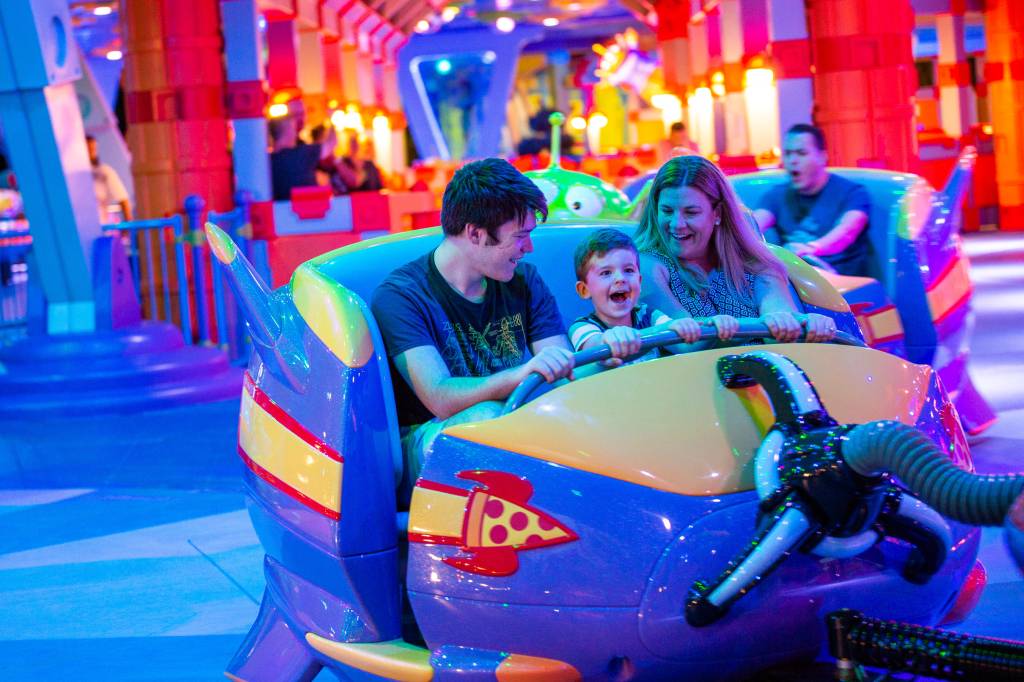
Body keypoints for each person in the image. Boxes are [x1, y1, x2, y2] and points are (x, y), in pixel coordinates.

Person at [372, 158, 634, 495]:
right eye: (520, 236)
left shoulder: (524, 279)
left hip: (515, 420)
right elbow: (439, 397)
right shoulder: (401, 296)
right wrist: (522, 374)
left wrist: (611, 358)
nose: (529, 248)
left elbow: (560, 369)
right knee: (488, 417)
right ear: (476, 234)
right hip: (433, 440)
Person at [635, 155, 837, 345]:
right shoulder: (647, 264)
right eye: (667, 211)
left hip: (761, 376)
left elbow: (779, 314)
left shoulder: (752, 262)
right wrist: (724, 330)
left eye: (691, 212)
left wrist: (802, 325)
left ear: (717, 214)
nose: (677, 224)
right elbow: (683, 343)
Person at [752, 123, 871, 276]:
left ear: (822, 157)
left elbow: (847, 231)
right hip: (795, 281)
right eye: (788, 154)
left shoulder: (852, 192)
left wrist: (812, 248)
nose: (792, 160)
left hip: (842, 282)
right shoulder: (776, 195)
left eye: (801, 153)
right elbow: (751, 226)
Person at [569, 228, 702, 365]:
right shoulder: (583, 326)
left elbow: (679, 339)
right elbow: (594, 346)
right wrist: (607, 340)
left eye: (628, 270)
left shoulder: (647, 315)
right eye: (606, 273)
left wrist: (687, 327)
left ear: (639, 281)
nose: (620, 278)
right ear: (584, 290)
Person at [268, 113, 322, 201]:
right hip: (308, 211)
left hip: (279, 213)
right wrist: (331, 120)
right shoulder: (300, 154)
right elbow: (331, 142)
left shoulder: (267, 161)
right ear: (287, 131)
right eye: (293, 129)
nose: (295, 133)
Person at [86, 135, 132, 223]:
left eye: (92, 149)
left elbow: (123, 199)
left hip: (101, 228)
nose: (90, 153)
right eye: (88, 149)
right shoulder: (73, 176)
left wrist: (126, 230)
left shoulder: (103, 171)